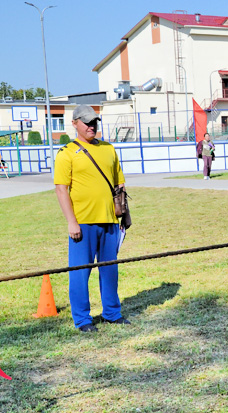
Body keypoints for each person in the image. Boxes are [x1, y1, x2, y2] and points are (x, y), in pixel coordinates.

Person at [54, 105, 130, 332]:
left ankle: (112, 313)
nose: (91, 126)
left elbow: (119, 183)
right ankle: (82, 320)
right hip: (82, 223)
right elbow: (61, 189)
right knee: (80, 273)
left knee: (110, 271)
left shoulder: (108, 149)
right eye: (86, 122)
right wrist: (72, 222)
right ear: (74, 123)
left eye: (94, 122)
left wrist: (123, 214)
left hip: (109, 221)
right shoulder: (67, 152)